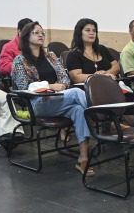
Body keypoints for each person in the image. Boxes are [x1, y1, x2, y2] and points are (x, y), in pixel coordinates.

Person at [11, 21, 94, 174]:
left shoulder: (51, 56)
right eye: (36, 32)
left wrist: (58, 87)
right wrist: (49, 86)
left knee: (78, 110)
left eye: (42, 32)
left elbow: (65, 78)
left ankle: (83, 159)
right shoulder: (19, 60)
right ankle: (98, 113)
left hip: (59, 98)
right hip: (36, 103)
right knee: (76, 93)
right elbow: (23, 88)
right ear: (26, 36)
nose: (41, 35)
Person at [66, 18, 120, 84]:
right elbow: (76, 77)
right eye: (87, 30)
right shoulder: (73, 55)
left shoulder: (102, 49)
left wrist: (107, 73)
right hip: (88, 89)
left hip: (110, 85)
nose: (92, 33)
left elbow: (116, 66)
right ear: (79, 33)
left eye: (94, 31)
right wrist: (98, 76)